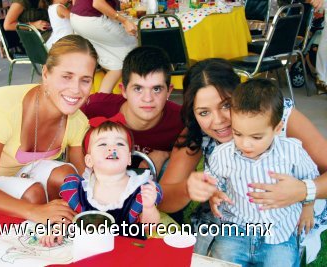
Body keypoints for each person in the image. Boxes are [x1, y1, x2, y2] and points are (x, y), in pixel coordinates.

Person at [158, 58, 327, 256]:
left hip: (285, 219)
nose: (219, 121)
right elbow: (164, 200)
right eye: (204, 112)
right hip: (232, 223)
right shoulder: (195, 133)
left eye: (226, 105)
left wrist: (302, 190)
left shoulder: (279, 116)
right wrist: (188, 189)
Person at [0, 35, 98, 224]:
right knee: (33, 194)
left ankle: (57, 237)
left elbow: (82, 181)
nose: (76, 89)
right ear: (46, 74)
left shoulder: (77, 121)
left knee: (67, 179)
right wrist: (36, 211)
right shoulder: (2, 108)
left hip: (13, 175)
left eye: (85, 80)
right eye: (66, 76)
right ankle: (28, 244)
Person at [207, 78, 319, 266]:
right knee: (220, 262)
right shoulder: (222, 154)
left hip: (279, 233)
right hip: (236, 230)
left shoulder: (292, 152)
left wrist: (307, 209)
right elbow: (213, 179)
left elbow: (310, 178)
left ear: (277, 128)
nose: (245, 143)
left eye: (256, 137)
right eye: (238, 133)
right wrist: (214, 193)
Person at [40, 114, 162, 247]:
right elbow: (67, 216)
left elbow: (149, 228)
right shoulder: (80, 190)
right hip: (90, 250)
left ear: (129, 158)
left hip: (128, 251)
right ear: (89, 160)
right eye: (103, 144)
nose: (112, 148)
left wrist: (149, 208)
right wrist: (58, 228)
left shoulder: (138, 191)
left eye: (120, 143)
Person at [81, 46, 184, 175]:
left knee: (170, 165)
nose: (148, 99)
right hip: (98, 182)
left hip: (152, 189)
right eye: (138, 89)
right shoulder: (96, 107)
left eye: (157, 89)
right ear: (123, 90)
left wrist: (165, 154)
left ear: (169, 91)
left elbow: (190, 155)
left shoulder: (181, 119)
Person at [70, 0, 137, 93]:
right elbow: (98, 3)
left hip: (77, 17)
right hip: (90, 19)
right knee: (132, 43)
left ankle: (101, 100)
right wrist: (125, 21)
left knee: (116, 63)